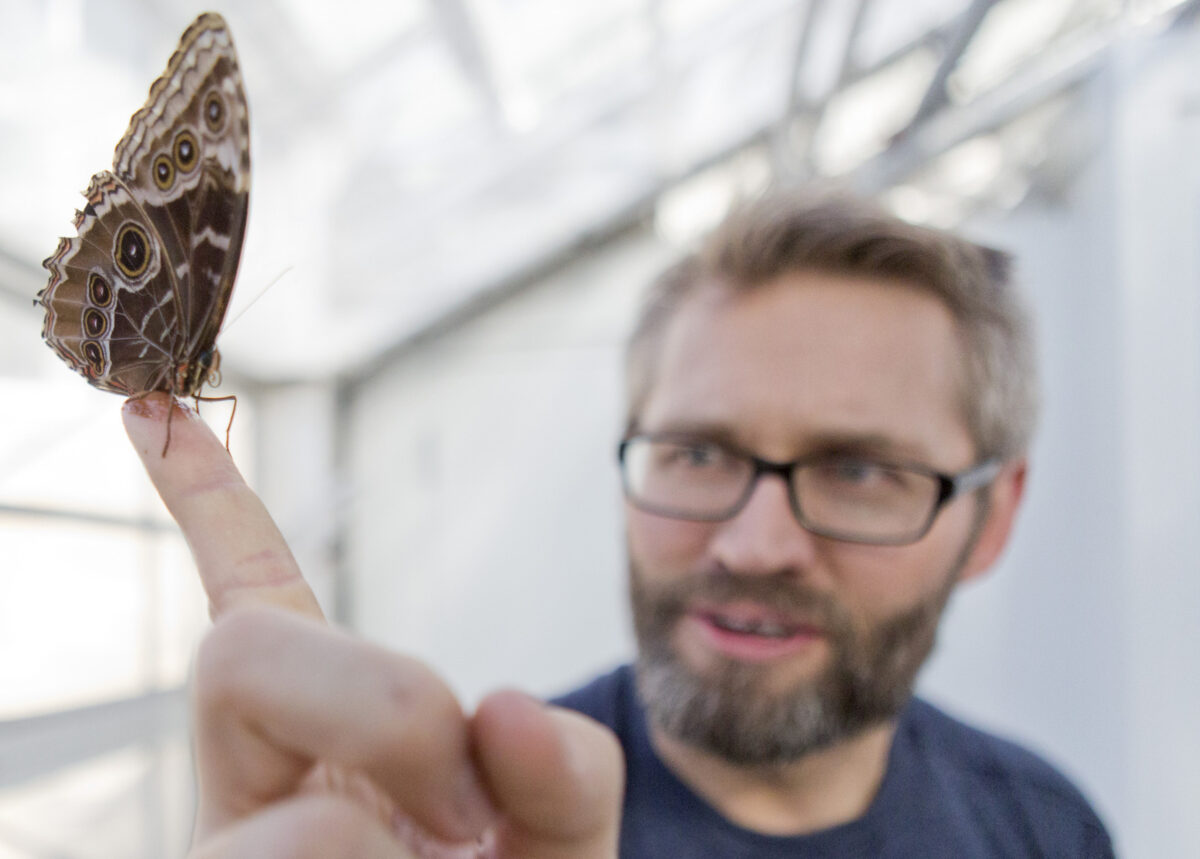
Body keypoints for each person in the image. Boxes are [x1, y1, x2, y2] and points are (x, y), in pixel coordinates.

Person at [122, 189, 1113, 857]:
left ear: (991, 517)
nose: (754, 543)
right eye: (699, 453)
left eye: (858, 471)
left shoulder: (1045, 828)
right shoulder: (483, 826)